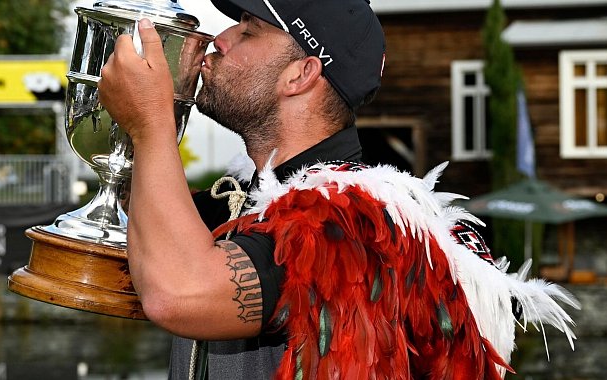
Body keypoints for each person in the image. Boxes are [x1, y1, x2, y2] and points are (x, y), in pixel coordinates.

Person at [98, 1, 578, 378]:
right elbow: (111, 249)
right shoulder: (240, 198)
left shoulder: (354, 222)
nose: (217, 39)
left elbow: (178, 294)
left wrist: (153, 125)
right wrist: (132, 127)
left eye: (248, 29)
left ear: (302, 74)